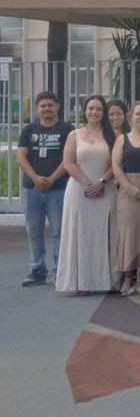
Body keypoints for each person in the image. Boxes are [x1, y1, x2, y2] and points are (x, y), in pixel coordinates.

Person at [55, 95, 116, 295]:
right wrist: (88, 183)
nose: (94, 112)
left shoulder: (111, 136)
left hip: (104, 190)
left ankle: (108, 282)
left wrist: (101, 183)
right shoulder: (74, 134)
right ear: (85, 111)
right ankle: (81, 282)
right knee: (79, 235)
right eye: (91, 108)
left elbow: (115, 165)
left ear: (104, 112)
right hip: (79, 190)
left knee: (105, 234)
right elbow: (68, 163)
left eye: (99, 109)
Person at [17, 92, 73, 287]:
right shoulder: (29, 130)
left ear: (57, 106)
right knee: (34, 232)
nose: (46, 109)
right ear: (37, 109)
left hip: (58, 189)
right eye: (43, 106)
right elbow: (21, 157)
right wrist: (36, 178)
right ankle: (37, 270)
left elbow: (70, 160)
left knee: (59, 231)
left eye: (50, 105)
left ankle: (61, 271)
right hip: (31, 190)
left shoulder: (68, 130)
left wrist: (50, 179)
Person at [111, 101, 140, 296]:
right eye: (138, 114)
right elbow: (116, 166)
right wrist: (129, 188)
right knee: (128, 234)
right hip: (127, 191)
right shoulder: (122, 140)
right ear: (131, 116)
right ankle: (129, 276)